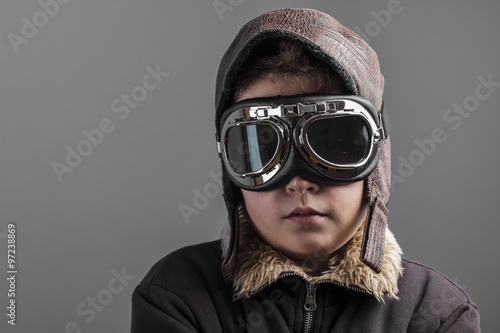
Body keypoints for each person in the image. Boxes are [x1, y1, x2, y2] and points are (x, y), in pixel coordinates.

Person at [131, 8, 480, 332]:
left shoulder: (435, 312)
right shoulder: (177, 295)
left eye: (335, 144)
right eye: (263, 150)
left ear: (377, 157)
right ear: (229, 167)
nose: (299, 183)